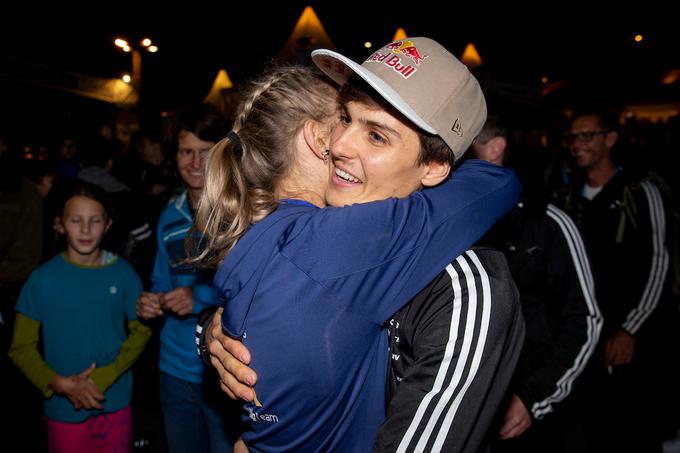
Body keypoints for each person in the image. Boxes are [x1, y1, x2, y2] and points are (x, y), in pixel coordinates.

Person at [193, 37, 521, 452]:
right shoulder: (323, 238)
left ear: (436, 168)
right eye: (345, 119)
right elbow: (495, 182)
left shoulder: (463, 287)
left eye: (377, 136)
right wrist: (210, 334)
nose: (340, 145)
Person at [469, 116, 602, 451]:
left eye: (461, 148)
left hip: (534, 414)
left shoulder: (548, 223)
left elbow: (584, 321)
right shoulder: (454, 225)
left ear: (495, 150)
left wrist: (532, 398)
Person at [558, 106, 674, 451]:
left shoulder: (640, 191)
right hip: (588, 336)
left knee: (636, 426)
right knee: (597, 426)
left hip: (634, 336)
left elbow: (659, 264)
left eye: (587, 136)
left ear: (610, 139)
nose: (577, 144)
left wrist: (629, 329)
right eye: (572, 137)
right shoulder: (568, 195)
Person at [8, 181, 151, 452]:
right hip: (63, 407)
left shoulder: (124, 274)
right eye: (75, 220)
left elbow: (141, 331)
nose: (85, 230)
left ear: (108, 225)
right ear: (59, 225)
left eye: (94, 220)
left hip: (114, 400)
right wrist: (59, 383)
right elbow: (21, 348)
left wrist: (106, 375)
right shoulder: (41, 281)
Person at [135, 103, 235, 453]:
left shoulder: (239, 213)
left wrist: (201, 297)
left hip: (221, 368)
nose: (195, 163)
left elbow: (255, 293)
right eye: (186, 152)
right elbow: (162, 280)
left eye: (205, 153)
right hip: (173, 366)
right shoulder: (170, 214)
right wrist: (150, 301)